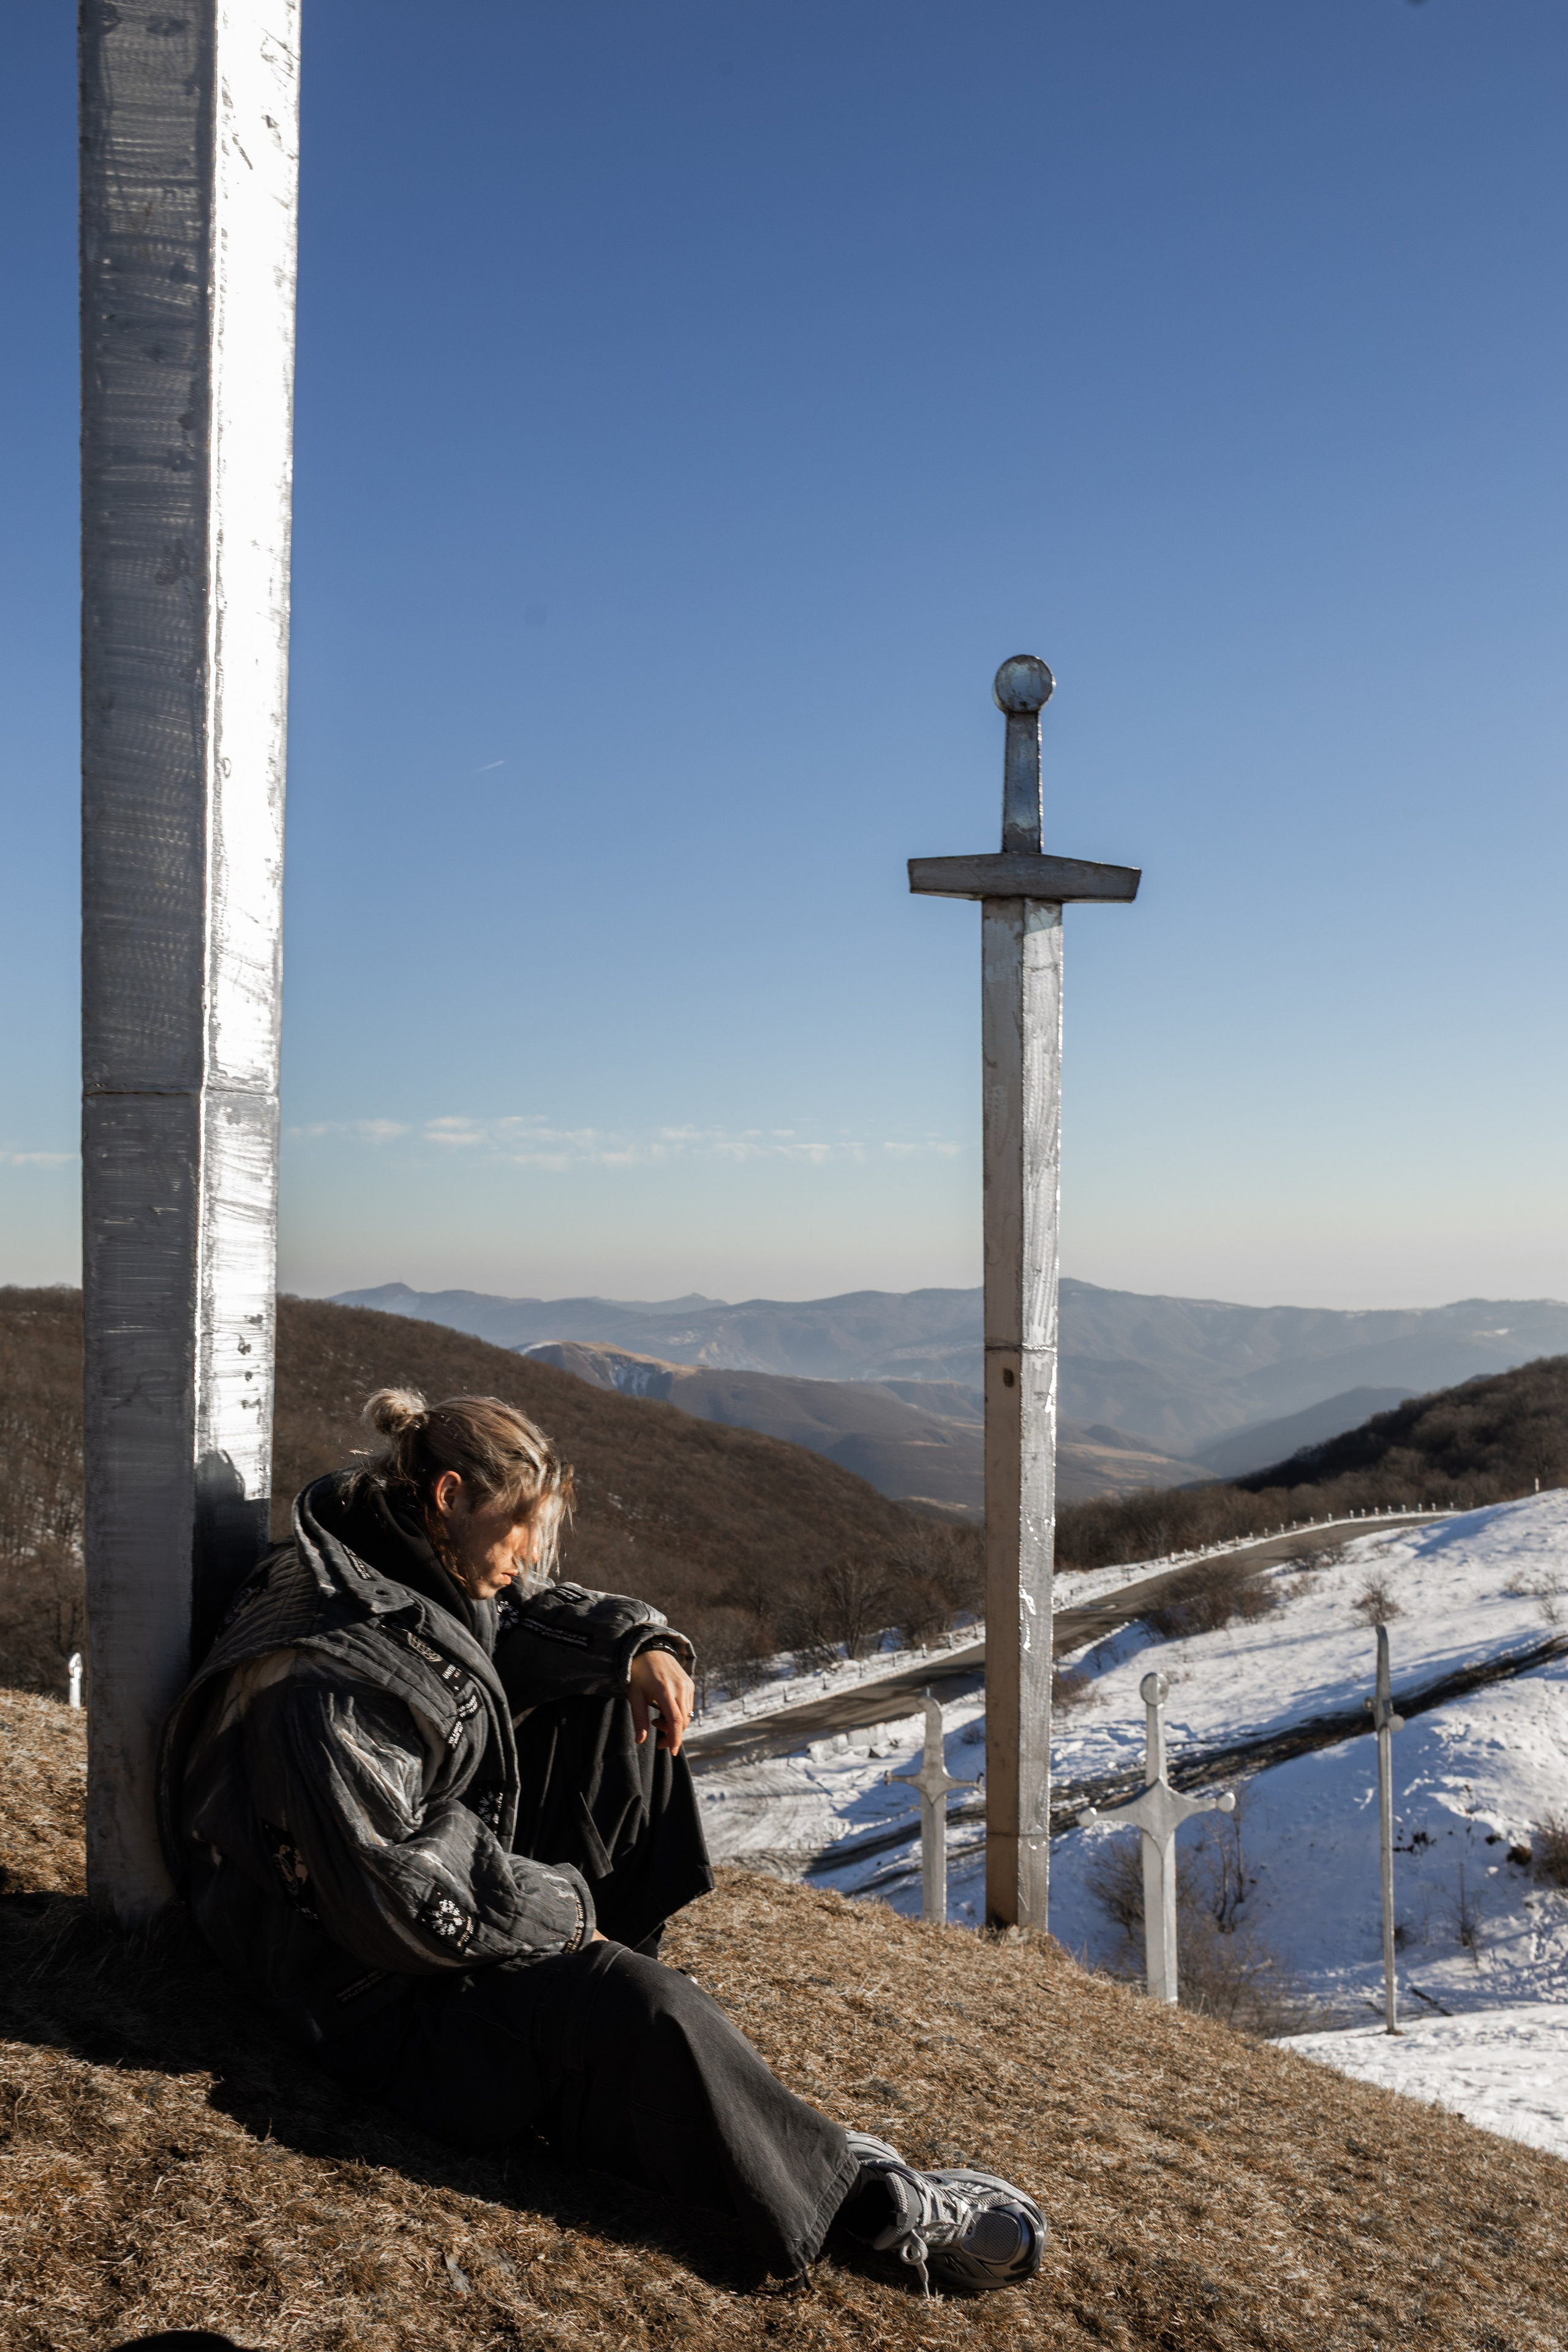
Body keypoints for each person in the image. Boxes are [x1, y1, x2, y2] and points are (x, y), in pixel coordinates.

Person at [161, 1389, 1045, 2295]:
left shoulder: (392, 1553)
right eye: (518, 1530)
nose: (528, 1558)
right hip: (355, 1993)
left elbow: (526, 1615)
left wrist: (638, 1646)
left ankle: (615, 2019)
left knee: (619, 1712)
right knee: (640, 2005)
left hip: (408, 1907)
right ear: (450, 1497)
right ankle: (870, 2207)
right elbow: (397, 1899)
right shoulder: (327, 1677)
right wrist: (566, 1917)